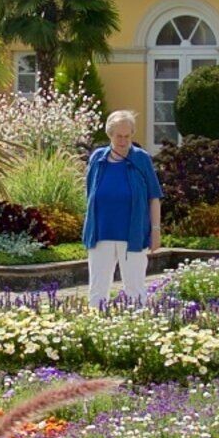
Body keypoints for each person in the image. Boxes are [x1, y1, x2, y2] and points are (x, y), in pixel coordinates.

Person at [82, 108, 162, 307]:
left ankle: (137, 330)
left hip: (132, 234)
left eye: (127, 136)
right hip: (101, 233)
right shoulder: (97, 159)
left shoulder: (141, 159)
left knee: (135, 289)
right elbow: (90, 192)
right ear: (110, 134)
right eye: (119, 136)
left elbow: (154, 197)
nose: (123, 141)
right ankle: (94, 330)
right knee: (97, 289)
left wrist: (156, 230)